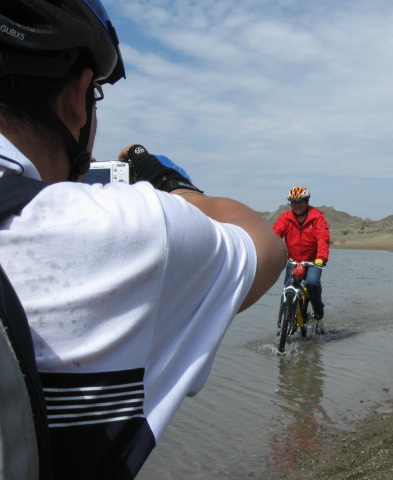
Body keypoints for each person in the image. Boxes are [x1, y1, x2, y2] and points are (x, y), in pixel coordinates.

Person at [0, 1, 287, 478]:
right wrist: (168, 183)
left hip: (314, 254)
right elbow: (266, 243)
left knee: (313, 282)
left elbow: (311, 240)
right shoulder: (131, 230)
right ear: (79, 97)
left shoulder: (314, 217)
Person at [272, 186, 330, 321]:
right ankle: (287, 324)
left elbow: (323, 239)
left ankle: (318, 309)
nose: (297, 205)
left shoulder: (317, 217)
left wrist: (321, 258)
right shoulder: (285, 217)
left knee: (312, 283)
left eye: (300, 201)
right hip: (293, 261)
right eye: (294, 202)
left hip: (313, 261)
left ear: (306, 202)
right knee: (287, 289)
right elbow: (274, 236)